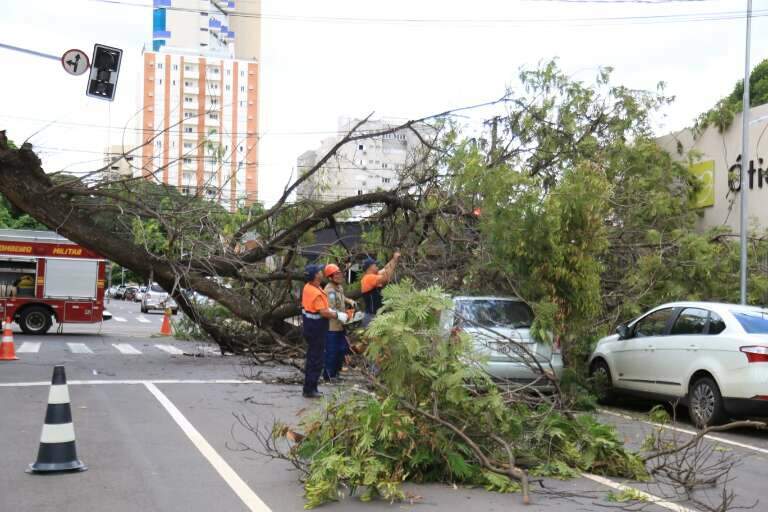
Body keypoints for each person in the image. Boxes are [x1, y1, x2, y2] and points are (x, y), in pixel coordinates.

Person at [301, 264, 348, 398]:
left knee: (313, 358)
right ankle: (310, 389)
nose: (321, 272)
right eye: (319, 271)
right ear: (316, 275)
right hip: (316, 329)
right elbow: (323, 312)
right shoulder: (316, 292)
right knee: (316, 359)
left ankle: (310, 387)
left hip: (311, 328)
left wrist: (333, 312)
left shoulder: (309, 287)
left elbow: (323, 308)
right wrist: (338, 315)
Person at [323, 263, 356, 382]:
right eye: (336, 275)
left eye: (339, 274)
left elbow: (342, 297)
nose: (339, 276)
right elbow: (331, 308)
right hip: (332, 326)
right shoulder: (329, 291)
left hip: (341, 325)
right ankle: (329, 375)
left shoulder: (339, 288)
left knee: (342, 350)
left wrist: (350, 301)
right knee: (332, 351)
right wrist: (343, 315)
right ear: (330, 277)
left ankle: (336, 372)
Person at [360, 251, 401, 327]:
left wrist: (394, 258)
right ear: (370, 267)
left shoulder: (373, 275)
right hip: (372, 317)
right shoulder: (368, 278)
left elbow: (386, 268)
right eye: (375, 264)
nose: (377, 265)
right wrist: (395, 260)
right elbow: (386, 277)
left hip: (376, 316)